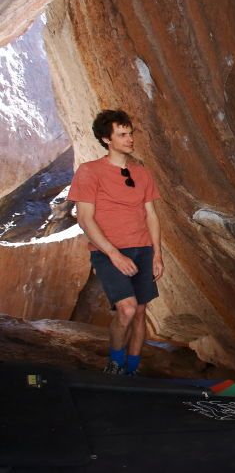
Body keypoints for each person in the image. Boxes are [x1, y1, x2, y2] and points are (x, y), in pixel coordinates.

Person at [67, 110, 163, 375]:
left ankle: (132, 371)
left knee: (141, 312)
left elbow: (151, 216)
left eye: (130, 133)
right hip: (109, 251)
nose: (129, 138)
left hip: (143, 248)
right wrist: (113, 255)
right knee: (127, 309)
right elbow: (85, 220)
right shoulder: (89, 172)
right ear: (106, 139)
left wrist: (157, 254)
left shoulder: (143, 173)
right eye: (122, 134)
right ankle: (115, 363)